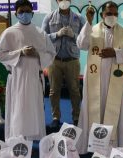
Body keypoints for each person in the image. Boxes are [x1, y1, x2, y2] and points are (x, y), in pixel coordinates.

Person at [76, 1, 123, 155]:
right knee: (96, 107)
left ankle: (116, 147)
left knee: (117, 110)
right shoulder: (93, 30)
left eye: (115, 14)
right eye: (109, 13)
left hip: (118, 80)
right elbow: (81, 45)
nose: (113, 16)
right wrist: (88, 22)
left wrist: (116, 53)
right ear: (102, 14)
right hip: (96, 79)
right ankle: (93, 144)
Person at [0, 0, 56, 141]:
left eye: (28, 11)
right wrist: (20, 53)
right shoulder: (9, 33)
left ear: (32, 13)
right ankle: (17, 141)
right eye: (21, 11)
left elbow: (52, 53)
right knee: (18, 110)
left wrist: (38, 55)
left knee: (34, 110)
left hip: (34, 78)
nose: (24, 14)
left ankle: (34, 139)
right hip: (17, 78)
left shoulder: (40, 33)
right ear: (16, 14)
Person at [41, 0, 86, 128]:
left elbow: (85, 39)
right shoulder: (49, 17)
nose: (63, 1)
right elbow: (42, 37)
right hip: (54, 60)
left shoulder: (79, 18)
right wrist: (57, 34)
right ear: (57, 1)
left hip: (72, 60)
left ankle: (76, 117)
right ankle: (56, 117)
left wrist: (74, 35)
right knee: (54, 91)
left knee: (75, 90)